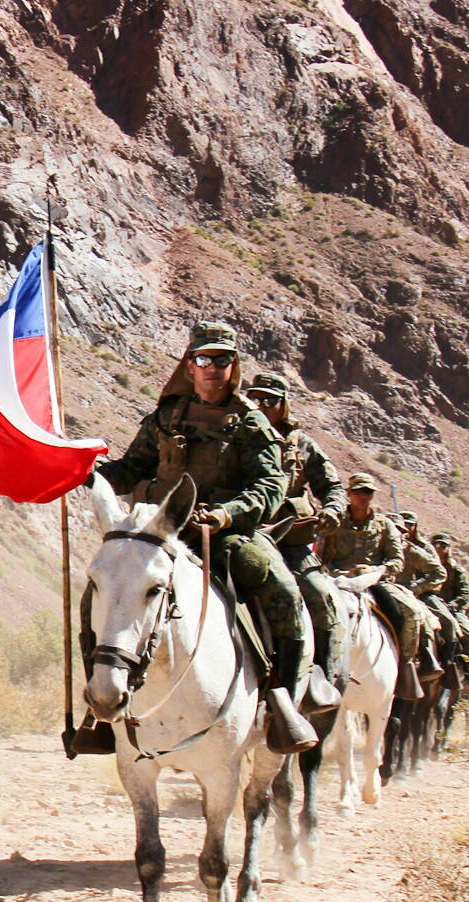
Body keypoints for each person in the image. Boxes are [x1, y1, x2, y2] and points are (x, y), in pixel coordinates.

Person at [95, 322, 317, 752]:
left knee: (283, 591)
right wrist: (88, 474)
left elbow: (269, 487)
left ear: (233, 367)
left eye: (221, 360)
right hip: (160, 532)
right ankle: (101, 705)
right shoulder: (165, 417)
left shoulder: (251, 423)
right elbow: (132, 468)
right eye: (202, 359)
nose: (211, 367)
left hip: (224, 536)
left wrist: (226, 514)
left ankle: (279, 703)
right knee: (105, 587)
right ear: (189, 366)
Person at [241, 371, 345, 713]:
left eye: (269, 401)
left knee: (321, 597)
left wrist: (331, 510)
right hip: (239, 533)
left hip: (289, 541)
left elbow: (332, 487)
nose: (261, 406)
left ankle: (320, 683)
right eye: (254, 399)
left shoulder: (302, 445)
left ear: (283, 406)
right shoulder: (235, 433)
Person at [316, 474, 426, 699]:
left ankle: (405, 665)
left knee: (413, 613)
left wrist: (378, 571)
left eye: (368, 492)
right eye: (358, 492)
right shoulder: (335, 522)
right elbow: (320, 552)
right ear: (349, 494)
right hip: (337, 580)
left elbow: (397, 560)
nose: (363, 496)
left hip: (375, 581)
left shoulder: (385, 525)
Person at [397, 514, 469, 692]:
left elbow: (438, 575)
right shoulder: (387, 540)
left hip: (424, 593)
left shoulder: (424, 549)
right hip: (393, 589)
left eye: (409, 525)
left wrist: (417, 587)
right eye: (403, 525)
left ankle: (456, 667)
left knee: (451, 624)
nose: (439, 547)